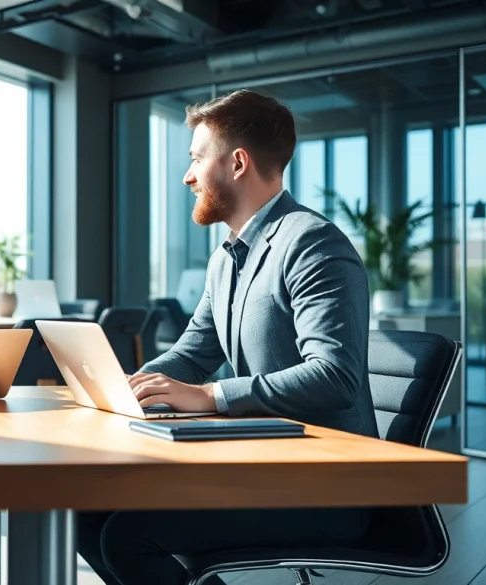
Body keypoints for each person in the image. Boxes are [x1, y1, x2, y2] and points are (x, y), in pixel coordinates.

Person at [77, 90, 379, 585]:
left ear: (237, 163)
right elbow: (194, 354)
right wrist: (129, 386)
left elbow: (335, 376)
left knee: (128, 536)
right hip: (264, 463)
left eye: (197, 158)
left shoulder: (313, 243)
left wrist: (211, 396)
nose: (187, 176)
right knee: (85, 510)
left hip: (329, 485)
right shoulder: (226, 258)